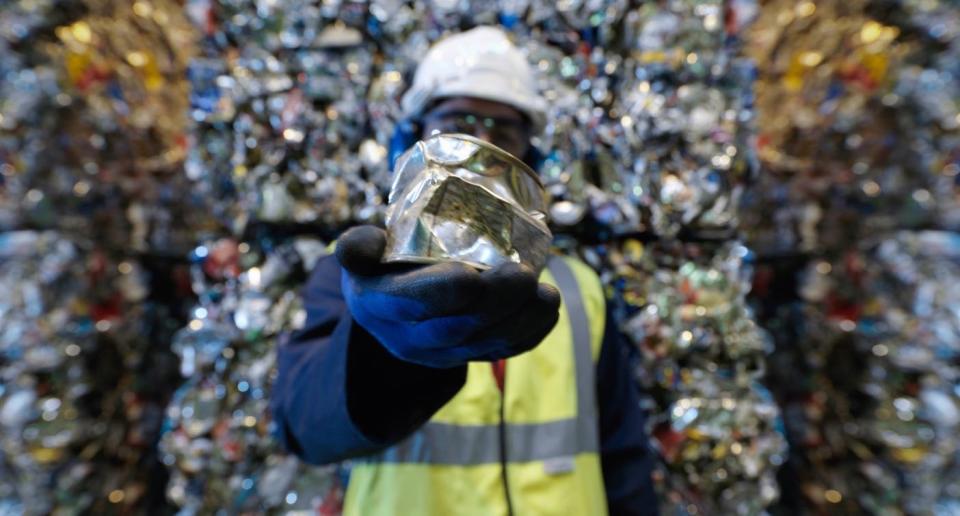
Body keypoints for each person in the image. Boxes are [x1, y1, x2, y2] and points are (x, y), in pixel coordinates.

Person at [271, 26, 658, 516]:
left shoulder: (580, 290)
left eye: (503, 129)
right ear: (412, 141)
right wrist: (385, 352)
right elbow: (302, 426)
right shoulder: (355, 276)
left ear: (529, 155)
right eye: (458, 123)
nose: (480, 143)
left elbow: (622, 460)